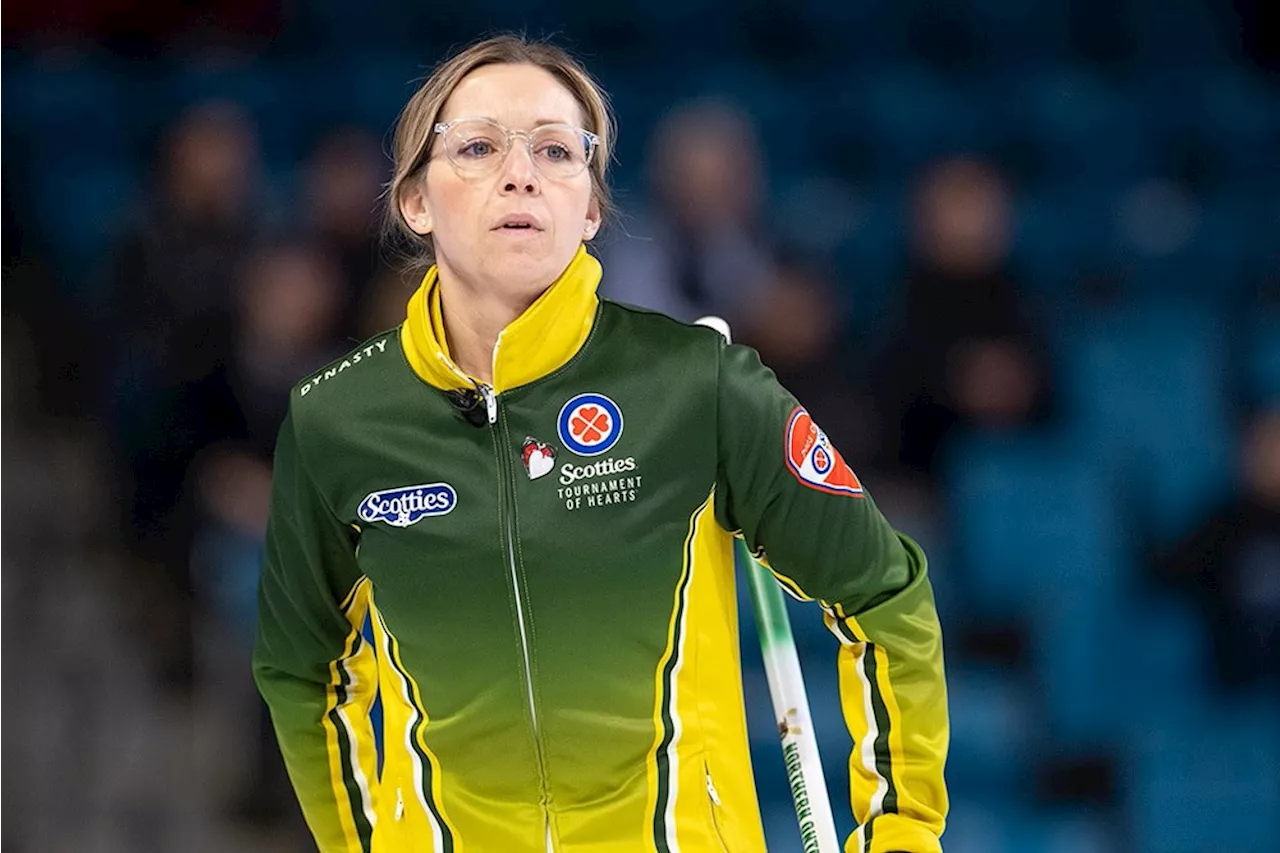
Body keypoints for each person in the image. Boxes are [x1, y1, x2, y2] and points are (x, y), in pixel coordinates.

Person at [253, 34, 949, 853]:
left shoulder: (701, 384)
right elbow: (305, 671)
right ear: (414, 202)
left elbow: (885, 598)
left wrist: (900, 833)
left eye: (555, 149)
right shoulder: (336, 418)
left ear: (589, 208)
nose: (520, 173)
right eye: (478, 147)